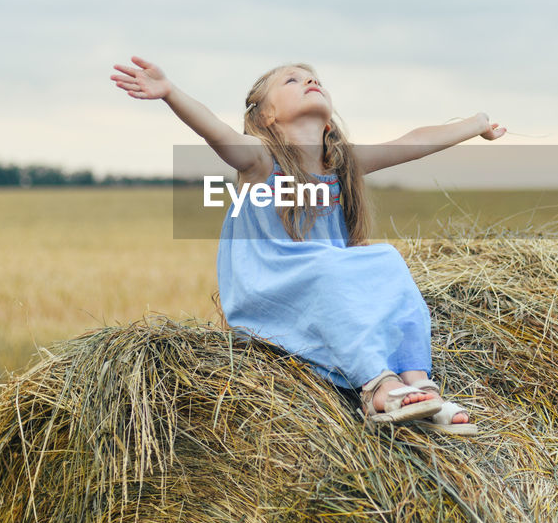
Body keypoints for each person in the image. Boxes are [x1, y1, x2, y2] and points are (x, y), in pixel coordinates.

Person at [111, 56, 506, 435]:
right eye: (292, 80)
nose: (309, 81)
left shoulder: (340, 167)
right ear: (266, 116)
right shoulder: (261, 163)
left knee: (386, 257)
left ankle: (420, 384)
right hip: (270, 294)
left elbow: (414, 142)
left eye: (313, 78)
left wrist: (477, 123)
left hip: (322, 284)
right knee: (329, 267)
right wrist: (169, 92)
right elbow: (216, 133)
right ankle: (377, 389)